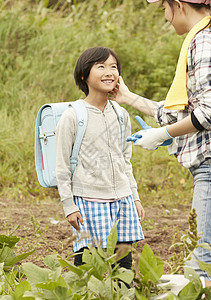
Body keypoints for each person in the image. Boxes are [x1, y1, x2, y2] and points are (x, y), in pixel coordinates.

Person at [109, 0, 211, 287]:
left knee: (200, 266)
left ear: (178, 5)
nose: (166, 17)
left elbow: (208, 112)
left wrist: (163, 134)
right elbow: (180, 111)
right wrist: (128, 98)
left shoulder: (203, 41)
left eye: (164, 9)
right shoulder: (201, 39)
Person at [55, 47, 144, 270]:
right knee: (86, 265)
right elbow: (62, 165)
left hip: (122, 200)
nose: (109, 72)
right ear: (84, 75)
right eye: (101, 66)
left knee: (123, 266)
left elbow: (126, 161)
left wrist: (134, 197)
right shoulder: (73, 115)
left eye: (114, 67)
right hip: (87, 200)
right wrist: (69, 205)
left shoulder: (121, 114)